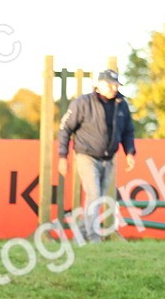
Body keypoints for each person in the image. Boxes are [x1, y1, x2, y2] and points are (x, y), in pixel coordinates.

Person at [56, 68, 136, 243]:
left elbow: (128, 130)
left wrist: (129, 152)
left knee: (98, 197)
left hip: (109, 158)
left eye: (115, 85)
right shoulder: (82, 103)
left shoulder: (121, 104)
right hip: (87, 155)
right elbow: (65, 129)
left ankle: (80, 236)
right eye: (109, 84)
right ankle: (93, 237)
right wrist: (63, 155)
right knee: (94, 195)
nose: (113, 88)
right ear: (98, 85)